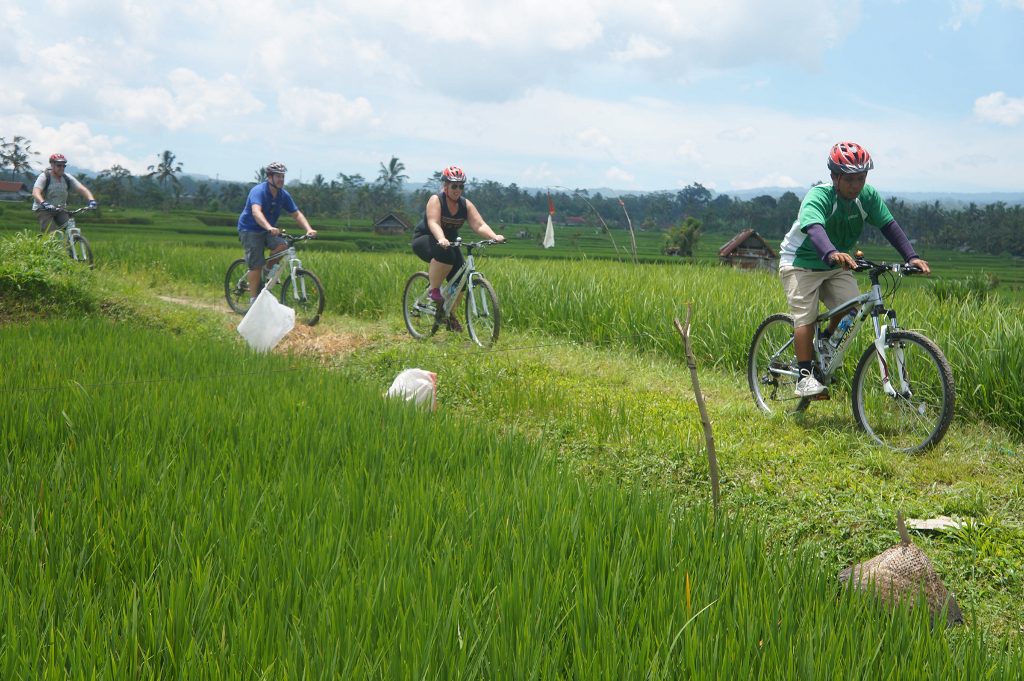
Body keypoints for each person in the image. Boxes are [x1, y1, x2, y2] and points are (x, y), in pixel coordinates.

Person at [778, 141, 930, 398]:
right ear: (834, 176)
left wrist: (911, 256)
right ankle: (804, 377)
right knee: (806, 315)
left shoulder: (867, 197)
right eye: (849, 179)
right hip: (800, 263)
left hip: (836, 264)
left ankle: (824, 340)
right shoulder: (819, 196)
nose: (856, 185)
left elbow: (888, 225)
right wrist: (831, 252)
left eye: (861, 178)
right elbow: (814, 227)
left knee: (853, 306)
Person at [411, 165, 505, 332]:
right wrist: (441, 238)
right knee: (446, 256)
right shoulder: (436, 200)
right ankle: (434, 290)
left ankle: (448, 315)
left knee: (461, 280)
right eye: (454, 186)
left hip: (450, 242)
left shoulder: (465, 205)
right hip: (426, 238)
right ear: (445, 186)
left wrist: (493, 236)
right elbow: (433, 222)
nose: (457, 189)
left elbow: (479, 224)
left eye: (461, 186)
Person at [237, 162, 317, 302]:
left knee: (283, 246)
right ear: (269, 177)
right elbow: (256, 212)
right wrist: (268, 227)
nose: (281, 179)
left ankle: (266, 272)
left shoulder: (283, 195)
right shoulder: (259, 191)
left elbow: (296, 214)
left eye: (282, 176)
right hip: (250, 229)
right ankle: (254, 300)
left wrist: (308, 229)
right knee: (256, 265)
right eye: (278, 176)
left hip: (269, 230)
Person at [31, 153, 98, 233]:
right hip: (43, 209)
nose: (62, 168)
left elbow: (82, 189)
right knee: (51, 233)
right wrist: (44, 203)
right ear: (52, 165)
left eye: (64, 166)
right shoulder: (44, 176)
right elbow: (36, 192)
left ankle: (70, 244)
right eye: (59, 165)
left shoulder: (67, 177)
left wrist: (91, 200)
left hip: (60, 209)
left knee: (72, 231)